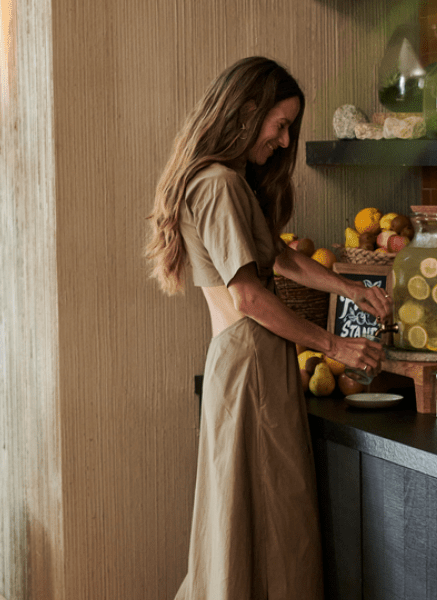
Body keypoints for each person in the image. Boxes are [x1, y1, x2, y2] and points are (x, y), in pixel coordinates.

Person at [145, 56, 392, 600]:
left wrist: (353, 288)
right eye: (280, 125)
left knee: (247, 520)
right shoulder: (219, 185)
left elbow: (278, 258)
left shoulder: (219, 181)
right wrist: (336, 346)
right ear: (246, 110)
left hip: (245, 364)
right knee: (275, 524)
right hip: (252, 364)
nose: (284, 142)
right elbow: (251, 297)